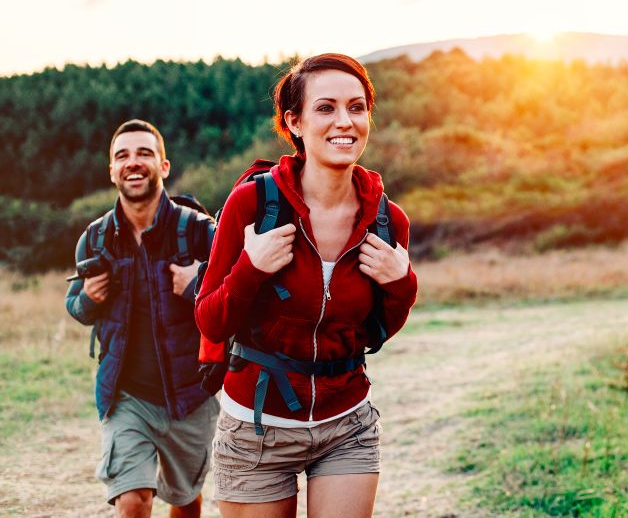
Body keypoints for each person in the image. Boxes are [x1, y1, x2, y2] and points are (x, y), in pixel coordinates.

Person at [194, 53, 418, 518]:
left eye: (357, 108)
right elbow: (210, 319)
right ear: (293, 123)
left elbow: (375, 331)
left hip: (347, 424)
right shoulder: (252, 205)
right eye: (326, 108)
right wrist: (250, 270)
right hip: (257, 430)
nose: (345, 122)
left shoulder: (387, 220)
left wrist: (403, 285)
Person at [65, 119, 219, 518]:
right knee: (133, 500)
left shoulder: (200, 231)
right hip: (125, 396)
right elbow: (75, 306)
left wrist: (195, 285)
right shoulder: (95, 238)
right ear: (112, 171)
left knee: (185, 500)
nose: (133, 163)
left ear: (164, 166)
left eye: (144, 153)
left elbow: (235, 298)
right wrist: (87, 298)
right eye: (123, 156)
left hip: (192, 394)